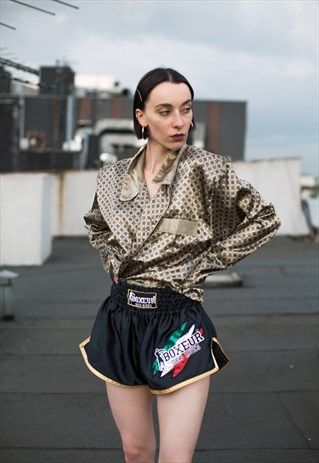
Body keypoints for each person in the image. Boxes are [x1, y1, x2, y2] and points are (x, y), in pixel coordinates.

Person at [79, 67, 281, 463]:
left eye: (186, 110)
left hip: (178, 325)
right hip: (120, 319)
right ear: (141, 116)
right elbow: (97, 225)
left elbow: (265, 218)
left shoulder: (207, 169)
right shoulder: (112, 176)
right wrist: (113, 262)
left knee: (175, 458)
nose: (179, 122)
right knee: (135, 451)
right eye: (165, 110)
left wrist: (206, 263)